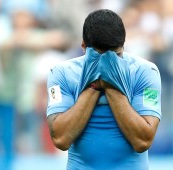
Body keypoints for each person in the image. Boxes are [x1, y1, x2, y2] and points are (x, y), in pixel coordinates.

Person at [46, 9, 161, 170]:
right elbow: (61, 139)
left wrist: (111, 84)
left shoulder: (146, 72)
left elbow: (143, 141)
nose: (108, 64)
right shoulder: (61, 73)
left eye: (116, 55)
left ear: (123, 45)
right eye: (100, 57)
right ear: (83, 47)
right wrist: (94, 85)